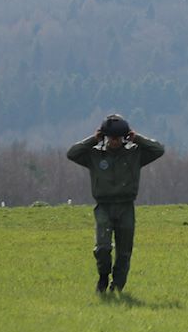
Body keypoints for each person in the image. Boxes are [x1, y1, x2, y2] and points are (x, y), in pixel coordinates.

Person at [67, 114, 165, 294]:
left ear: (124, 137)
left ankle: (117, 285)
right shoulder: (95, 155)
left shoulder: (134, 154)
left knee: (124, 252)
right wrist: (93, 139)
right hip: (104, 207)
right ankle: (103, 276)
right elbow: (71, 153)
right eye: (111, 137)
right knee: (102, 248)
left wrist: (137, 138)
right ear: (105, 137)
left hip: (126, 207)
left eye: (118, 138)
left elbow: (159, 150)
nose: (114, 141)